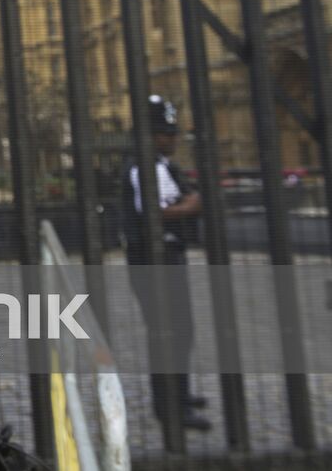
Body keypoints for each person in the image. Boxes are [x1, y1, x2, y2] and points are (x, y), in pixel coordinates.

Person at [122, 93, 209, 434]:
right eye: (165, 133)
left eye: (173, 132)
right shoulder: (144, 165)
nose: (172, 139)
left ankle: (180, 395)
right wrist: (194, 206)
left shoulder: (159, 164)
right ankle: (169, 406)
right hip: (152, 261)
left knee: (180, 330)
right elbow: (154, 212)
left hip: (167, 257)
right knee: (166, 332)